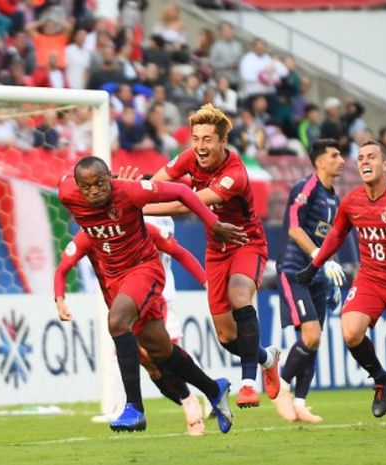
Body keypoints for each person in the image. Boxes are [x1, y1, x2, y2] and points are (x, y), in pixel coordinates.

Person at [58, 156, 243, 433]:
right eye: (87, 187)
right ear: (78, 188)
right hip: (115, 280)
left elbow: (181, 191)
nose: (94, 190)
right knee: (160, 352)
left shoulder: (129, 192)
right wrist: (59, 298)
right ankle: (213, 388)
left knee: (117, 322)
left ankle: (134, 408)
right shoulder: (67, 194)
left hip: (144, 269)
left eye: (100, 183)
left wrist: (213, 223)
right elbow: (63, 183)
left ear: (110, 178)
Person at [297, 140, 386, 433]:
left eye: (372, 157)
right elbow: (336, 236)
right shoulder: (351, 201)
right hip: (370, 279)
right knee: (350, 332)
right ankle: (381, 378)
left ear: (385, 164)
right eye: (361, 157)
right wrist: (313, 267)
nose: (365, 162)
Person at [143, 103, 281, 408]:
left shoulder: (235, 174)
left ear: (222, 142)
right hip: (215, 250)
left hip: (246, 242)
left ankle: (248, 385)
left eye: (207, 139)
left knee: (239, 295)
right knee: (227, 337)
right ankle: (267, 358)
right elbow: (157, 183)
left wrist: (139, 207)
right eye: (196, 138)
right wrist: (131, 190)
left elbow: (187, 204)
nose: (200, 146)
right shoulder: (189, 157)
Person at [54, 220, 208, 436]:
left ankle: (203, 399)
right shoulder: (90, 234)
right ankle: (191, 400)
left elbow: (179, 248)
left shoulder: (139, 226)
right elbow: (62, 268)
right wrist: (59, 299)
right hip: (118, 308)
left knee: (159, 356)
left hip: (151, 300)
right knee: (150, 365)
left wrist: (206, 282)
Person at [273, 139, 346, 423]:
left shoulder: (335, 197)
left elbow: (331, 238)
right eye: (335, 155)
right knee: (311, 336)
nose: (341, 159)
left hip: (317, 275)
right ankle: (280, 387)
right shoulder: (306, 187)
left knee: (312, 343)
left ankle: (300, 403)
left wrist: (333, 270)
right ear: (320, 162)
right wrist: (319, 257)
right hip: (295, 271)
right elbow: (293, 228)